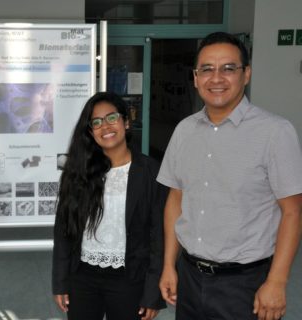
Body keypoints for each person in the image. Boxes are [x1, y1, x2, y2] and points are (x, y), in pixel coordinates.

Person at [157, 31, 302, 320]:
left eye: (228, 68)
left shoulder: (275, 132)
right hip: (190, 275)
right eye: (207, 69)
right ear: (196, 77)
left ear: (245, 74)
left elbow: (293, 212)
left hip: (245, 283)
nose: (217, 78)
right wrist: (169, 265)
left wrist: (277, 281)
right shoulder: (184, 130)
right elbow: (176, 198)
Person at [52, 92, 168, 320]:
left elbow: (158, 236)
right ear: (90, 132)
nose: (105, 126)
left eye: (111, 118)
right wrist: (60, 282)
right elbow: (64, 230)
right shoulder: (78, 171)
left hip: (130, 278)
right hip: (82, 276)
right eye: (96, 122)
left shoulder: (150, 172)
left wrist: (152, 292)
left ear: (126, 122)